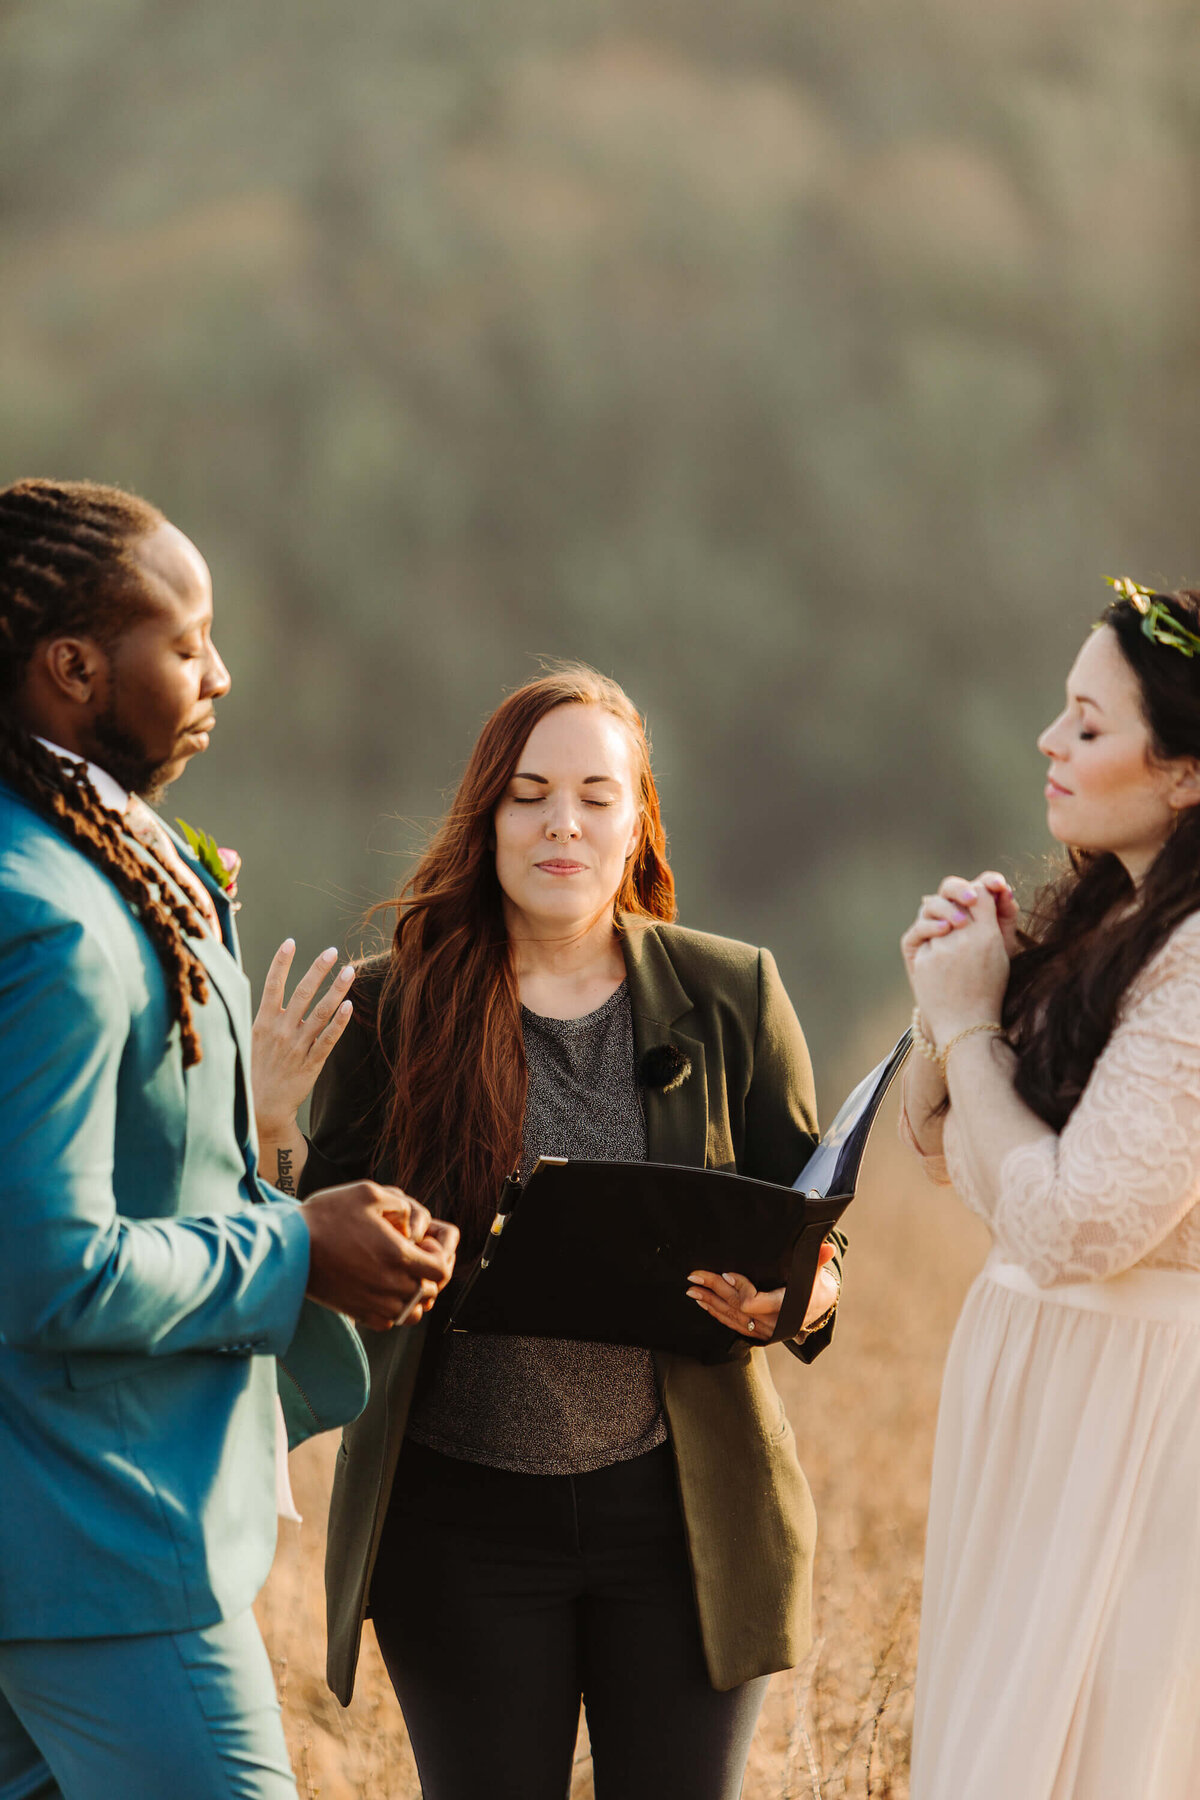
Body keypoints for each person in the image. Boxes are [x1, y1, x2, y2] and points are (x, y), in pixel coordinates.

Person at [251, 663, 843, 1800]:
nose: (560, 822)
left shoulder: (734, 995)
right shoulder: (394, 1007)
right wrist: (274, 1124)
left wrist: (803, 1296)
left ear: (638, 823)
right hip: (456, 1525)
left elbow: (813, 1224)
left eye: (594, 795)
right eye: (526, 794)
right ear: (486, 820)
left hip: (684, 1523)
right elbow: (303, 1261)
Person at [0, 478, 457, 1800]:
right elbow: (48, 1268)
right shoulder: (53, 924)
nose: (223, 673)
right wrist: (294, 1248)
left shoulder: (81, 858)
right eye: (189, 642)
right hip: (101, 1539)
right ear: (74, 667)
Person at [900, 580, 1200, 1800]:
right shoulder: (1117, 920)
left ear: (1185, 773)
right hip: (1044, 1417)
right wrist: (951, 1006)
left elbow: (1076, 1221)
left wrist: (974, 1031)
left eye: (1088, 721)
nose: (1050, 741)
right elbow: (978, 1167)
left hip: (1135, 1424)